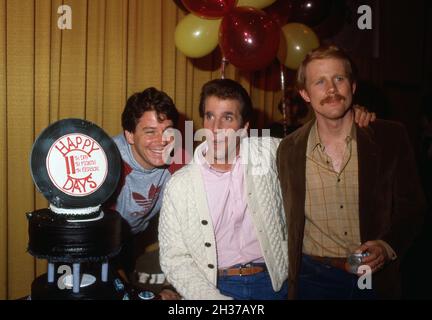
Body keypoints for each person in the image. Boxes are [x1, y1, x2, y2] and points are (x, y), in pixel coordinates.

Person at [158, 78, 375, 300]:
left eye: (228, 117)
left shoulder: (271, 153)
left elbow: (319, 138)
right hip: (214, 286)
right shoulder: (180, 185)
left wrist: (348, 115)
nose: (215, 128)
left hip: (274, 283)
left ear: (244, 128)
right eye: (210, 116)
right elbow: (174, 258)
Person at [276, 45, 426, 300]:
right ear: (305, 93)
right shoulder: (287, 149)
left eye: (339, 79)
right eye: (320, 82)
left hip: (376, 280)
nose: (331, 90)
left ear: (353, 86)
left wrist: (386, 245)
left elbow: (413, 208)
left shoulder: (391, 137)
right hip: (312, 280)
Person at [106, 87, 184, 300]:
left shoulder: (180, 161)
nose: (162, 141)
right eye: (150, 132)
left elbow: (192, 227)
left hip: (136, 237)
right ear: (129, 135)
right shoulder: (107, 163)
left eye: (167, 131)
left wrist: (174, 286)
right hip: (100, 240)